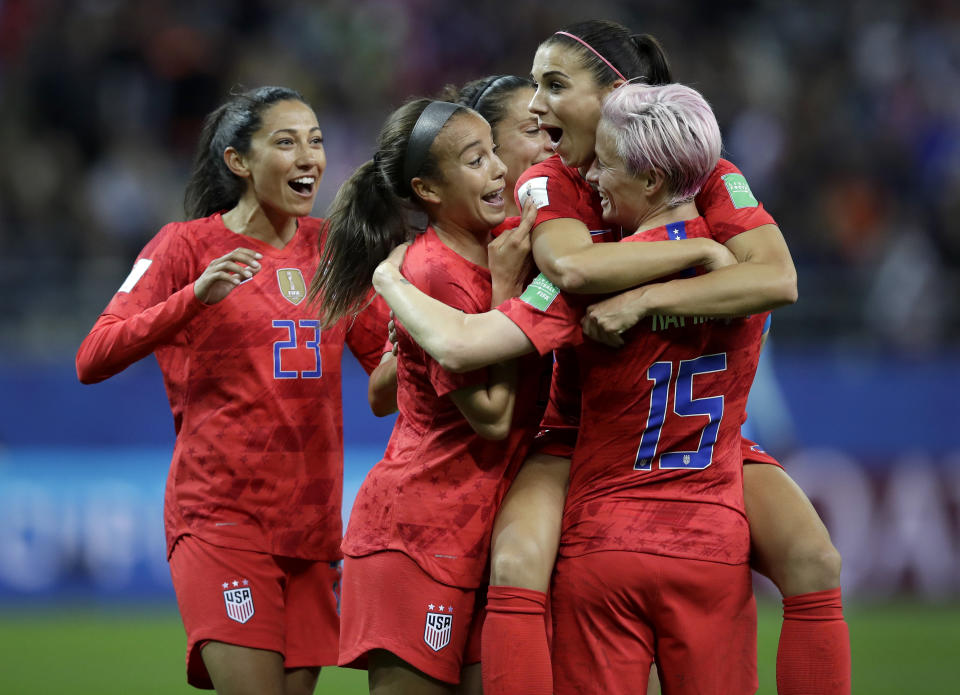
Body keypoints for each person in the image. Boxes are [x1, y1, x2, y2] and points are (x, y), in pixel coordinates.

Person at [372, 80, 780, 694]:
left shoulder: (584, 275)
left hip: (604, 534)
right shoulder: (745, 268)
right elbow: (774, 281)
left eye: (603, 164)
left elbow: (463, 345)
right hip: (712, 540)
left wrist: (391, 282)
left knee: (516, 568)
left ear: (648, 179)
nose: (584, 177)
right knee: (814, 566)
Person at [491, 19, 848, 695]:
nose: (534, 104)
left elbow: (777, 278)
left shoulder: (704, 168)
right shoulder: (549, 178)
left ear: (616, 93)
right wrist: (697, 252)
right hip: (575, 431)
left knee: (813, 555)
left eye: (554, 85)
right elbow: (568, 264)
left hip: (690, 435)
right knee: (517, 558)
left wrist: (644, 298)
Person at [75, 86, 389, 695]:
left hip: (312, 526)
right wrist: (190, 299)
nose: (309, 157)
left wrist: (425, 313)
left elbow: (386, 374)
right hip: (221, 517)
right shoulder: (184, 246)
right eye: (286, 142)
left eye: (316, 141)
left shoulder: (332, 250)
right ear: (238, 162)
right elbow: (93, 356)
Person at [306, 97, 549, 695]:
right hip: (417, 537)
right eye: (475, 160)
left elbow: (384, 390)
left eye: (494, 151)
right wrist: (510, 293)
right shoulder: (438, 269)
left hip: (474, 536)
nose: (497, 169)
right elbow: (491, 417)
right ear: (428, 190)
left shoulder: (489, 248)